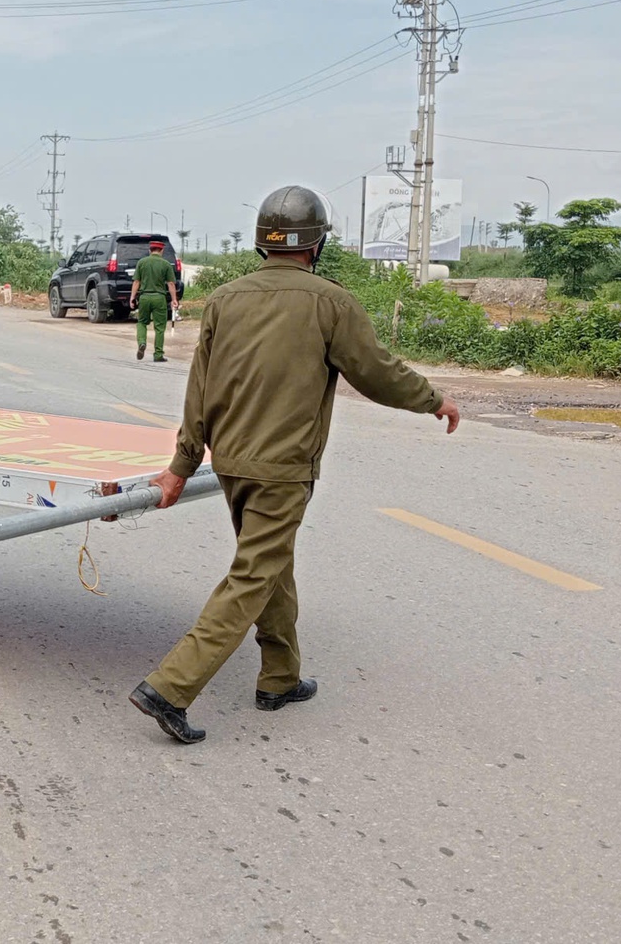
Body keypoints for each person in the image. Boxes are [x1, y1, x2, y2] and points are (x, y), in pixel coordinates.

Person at [129, 186, 461, 744]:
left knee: (270, 562)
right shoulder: (330, 302)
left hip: (233, 463)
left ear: (263, 242)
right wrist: (434, 399)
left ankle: (280, 678)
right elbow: (376, 372)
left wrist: (182, 465)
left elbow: (198, 389)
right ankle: (171, 687)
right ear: (316, 243)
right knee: (254, 573)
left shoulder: (225, 300)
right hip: (282, 468)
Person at [128, 238, 179, 363]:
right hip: (159, 298)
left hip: (144, 297)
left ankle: (142, 342)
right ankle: (158, 354)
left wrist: (132, 297)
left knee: (142, 322)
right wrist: (174, 300)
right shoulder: (166, 264)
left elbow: (136, 281)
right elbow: (171, 284)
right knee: (159, 327)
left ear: (149, 250)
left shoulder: (142, 262)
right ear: (161, 250)